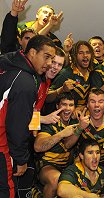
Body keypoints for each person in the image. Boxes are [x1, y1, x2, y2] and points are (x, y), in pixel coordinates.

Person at [0, 35, 56, 198]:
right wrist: (21, 160)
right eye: (47, 57)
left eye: (53, 59)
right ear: (32, 52)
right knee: (6, 191)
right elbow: (17, 127)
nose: (50, 64)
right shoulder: (25, 82)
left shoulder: (8, 61)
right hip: (2, 143)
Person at [34, 93, 79, 198]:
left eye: (71, 105)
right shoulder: (50, 122)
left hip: (68, 166)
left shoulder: (76, 121)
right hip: (47, 165)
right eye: (64, 104)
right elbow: (38, 147)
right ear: (57, 106)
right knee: (56, 180)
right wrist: (62, 134)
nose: (67, 108)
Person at [51, 40, 94, 107]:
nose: (85, 55)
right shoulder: (65, 74)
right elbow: (47, 97)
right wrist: (62, 89)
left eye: (88, 52)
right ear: (74, 56)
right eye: (81, 53)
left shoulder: (93, 73)